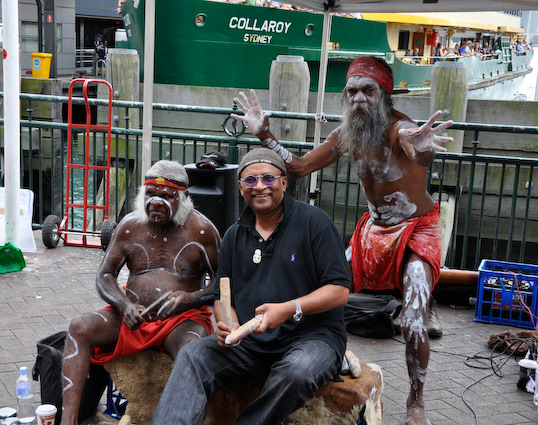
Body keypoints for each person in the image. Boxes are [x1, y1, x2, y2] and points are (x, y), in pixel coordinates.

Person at [230, 56, 453, 425]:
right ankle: (319, 354)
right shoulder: (347, 135)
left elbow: (419, 151)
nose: (359, 98)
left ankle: (416, 402)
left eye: (368, 91)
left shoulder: (401, 129)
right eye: (352, 91)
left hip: (417, 228)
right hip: (373, 230)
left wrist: (425, 148)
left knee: (412, 320)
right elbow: (298, 168)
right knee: (319, 288)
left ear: (384, 95)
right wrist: (264, 135)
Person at [151, 149, 351, 425]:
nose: (259, 186)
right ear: (240, 186)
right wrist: (228, 324)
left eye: (268, 178)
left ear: (284, 182)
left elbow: (340, 291)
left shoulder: (314, 222)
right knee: (193, 356)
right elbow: (222, 296)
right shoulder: (234, 235)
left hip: (312, 339)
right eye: (250, 180)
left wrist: (289, 308)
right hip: (250, 344)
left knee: (295, 372)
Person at [60, 160, 221, 425]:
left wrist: (190, 298)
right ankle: (67, 421)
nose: (156, 202)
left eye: (167, 196)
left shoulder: (202, 230)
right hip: (132, 317)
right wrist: (124, 305)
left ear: (184, 198)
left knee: (192, 350)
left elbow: (223, 282)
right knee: (79, 327)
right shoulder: (130, 226)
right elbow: (105, 275)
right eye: (150, 194)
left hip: (181, 321)